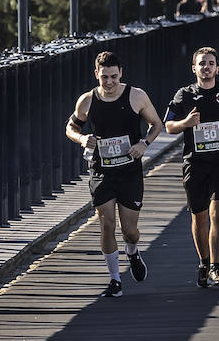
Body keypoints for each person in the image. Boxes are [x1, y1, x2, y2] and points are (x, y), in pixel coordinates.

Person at [65, 51, 165, 298]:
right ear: (96, 74)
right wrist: (81, 138)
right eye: (104, 77)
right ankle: (114, 279)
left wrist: (144, 143)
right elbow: (71, 127)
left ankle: (132, 252)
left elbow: (157, 124)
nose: (109, 82)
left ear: (121, 73)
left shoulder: (137, 96)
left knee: (129, 230)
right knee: (106, 223)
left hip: (129, 171)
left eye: (113, 77)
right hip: (101, 170)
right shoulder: (87, 101)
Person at [164, 47, 219, 288]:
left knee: (217, 211)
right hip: (195, 163)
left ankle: (215, 268)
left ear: (217, 68)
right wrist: (186, 123)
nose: (206, 67)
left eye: (211, 63)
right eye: (202, 63)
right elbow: (168, 125)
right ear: (194, 68)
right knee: (199, 217)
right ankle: (203, 262)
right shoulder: (184, 95)